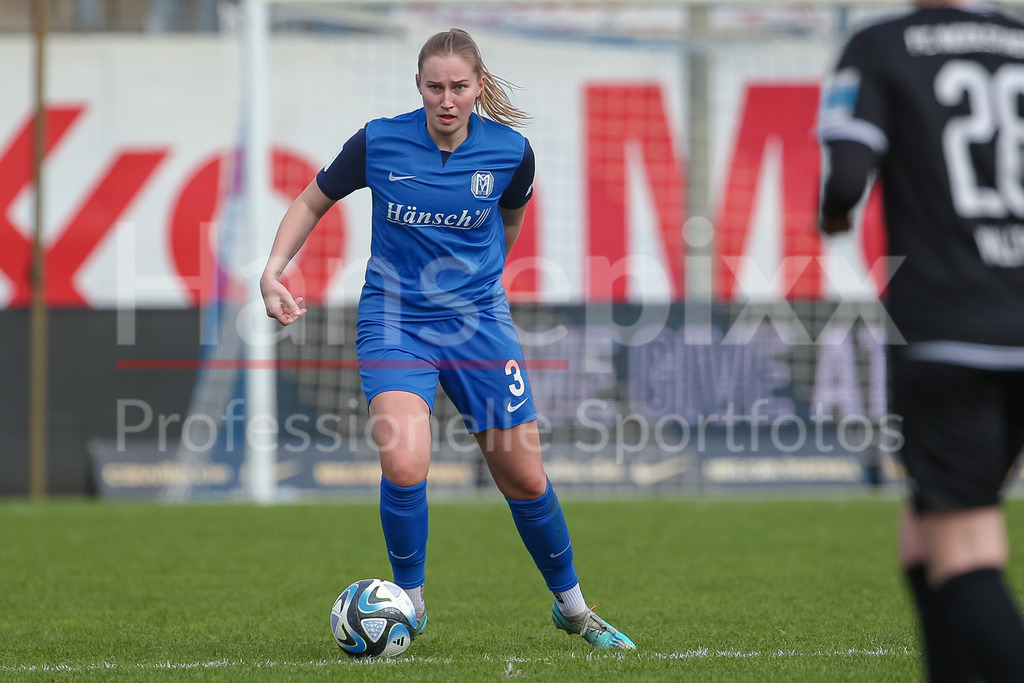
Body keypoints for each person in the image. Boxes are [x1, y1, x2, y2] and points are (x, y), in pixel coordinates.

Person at [260, 28, 635, 651]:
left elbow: (509, 220)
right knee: (404, 461)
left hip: (479, 324)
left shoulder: (511, 152)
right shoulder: (378, 141)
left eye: (459, 86)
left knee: (525, 479)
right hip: (395, 321)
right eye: (435, 86)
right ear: (418, 86)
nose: (447, 99)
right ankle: (410, 602)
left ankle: (573, 609)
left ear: (478, 87)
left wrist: (481, 285)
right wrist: (274, 270)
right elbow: (310, 200)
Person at [818, 1, 1024, 680]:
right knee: (928, 539)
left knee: (963, 550)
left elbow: (848, 177)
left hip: (950, 332)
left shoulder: (883, 45)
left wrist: (833, 214)